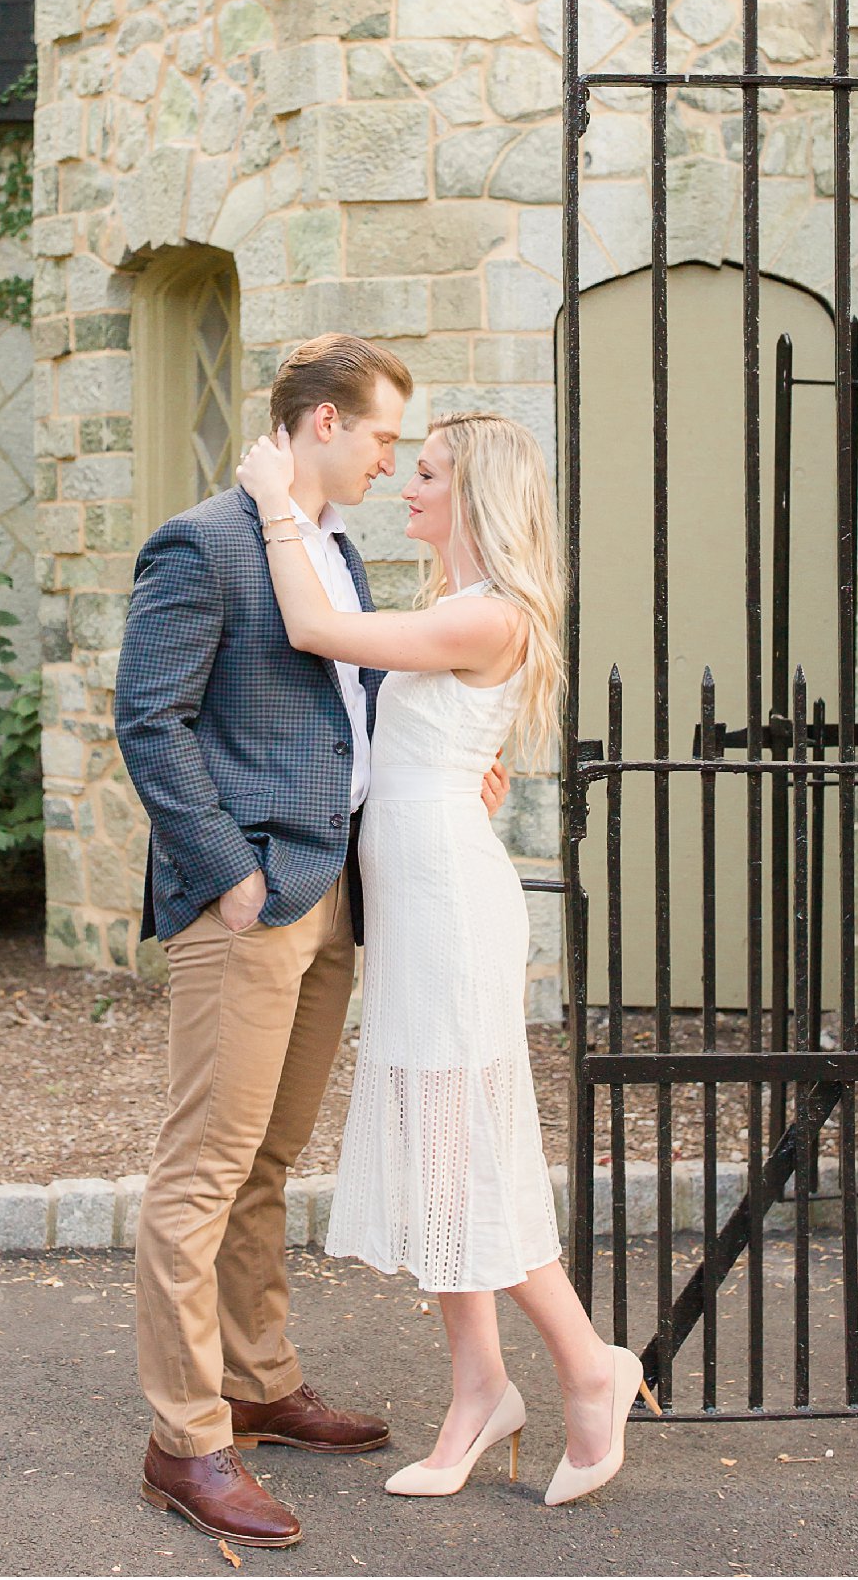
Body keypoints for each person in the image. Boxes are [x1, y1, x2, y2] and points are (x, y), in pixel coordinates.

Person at [114, 335, 508, 1551]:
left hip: (331, 892)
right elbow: (149, 719)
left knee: (269, 1162)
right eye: (383, 435)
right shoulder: (205, 541)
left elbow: (339, 706)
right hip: (248, 901)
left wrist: (450, 764)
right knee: (203, 1171)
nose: (392, 459)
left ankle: (260, 1380)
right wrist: (226, 875)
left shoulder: (328, 546)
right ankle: (186, 1441)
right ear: (324, 421)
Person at [236, 409, 660, 1510]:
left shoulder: (491, 616)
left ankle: (586, 1368)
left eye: (425, 475)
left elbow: (318, 631)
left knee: (466, 1153)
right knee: (437, 1156)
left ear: (474, 497)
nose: (406, 487)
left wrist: (278, 503)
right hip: (417, 902)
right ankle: (478, 1389)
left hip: (452, 911)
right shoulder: (452, 607)